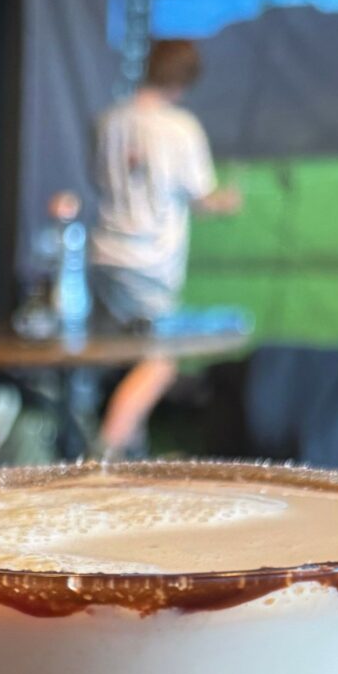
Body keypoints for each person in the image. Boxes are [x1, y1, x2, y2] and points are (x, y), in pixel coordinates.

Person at [90, 38, 242, 456]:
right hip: (148, 261)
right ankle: (103, 457)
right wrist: (227, 201)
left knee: (130, 359)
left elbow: (101, 179)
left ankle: (128, 465)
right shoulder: (180, 128)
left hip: (104, 256)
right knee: (159, 361)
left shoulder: (109, 120)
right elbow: (203, 195)